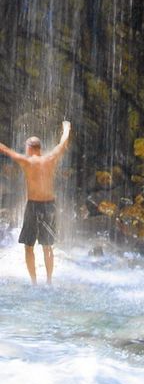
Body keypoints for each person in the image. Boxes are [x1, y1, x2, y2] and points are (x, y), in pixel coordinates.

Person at [0, 120, 71, 284]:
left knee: (29, 246)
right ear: (40, 148)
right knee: (47, 246)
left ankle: (34, 282)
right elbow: (62, 143)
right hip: (49, 205)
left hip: (33, 206)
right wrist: (66, 128)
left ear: (30, 148)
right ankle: (49, 281)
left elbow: (5, 150)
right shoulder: (51, 159)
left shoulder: (27, 162)